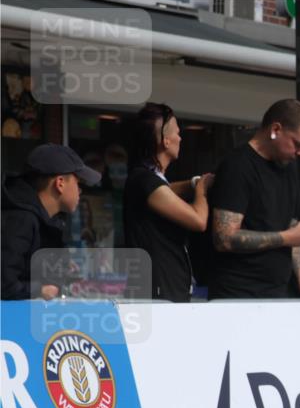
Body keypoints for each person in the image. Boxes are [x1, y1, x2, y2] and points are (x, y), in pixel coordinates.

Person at [209, 99, 300, 315]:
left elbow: (294, 228)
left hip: (277, 293)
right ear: (275, 129)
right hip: (237, 297)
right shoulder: (238, 166)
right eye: (297, 144)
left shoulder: (288, 167)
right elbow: (224, 237)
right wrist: (286, 237)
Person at [123, 103, 215, 302]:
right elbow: (199, 220)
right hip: (159, 291)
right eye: (178, 133)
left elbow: (166, 190)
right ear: (165, 141)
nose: (180, 138)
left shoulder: (147, 179)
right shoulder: (145, 181)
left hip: (165, 287)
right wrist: (202, 189)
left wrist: (193, 183)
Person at [2, 144, 101, 300]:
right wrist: (39, 290)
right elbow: (5, 283)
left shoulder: (47, 220)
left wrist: (59, 270)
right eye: (78, 183)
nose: (80, 191)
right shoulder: (20, 219)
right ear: (60, 183)